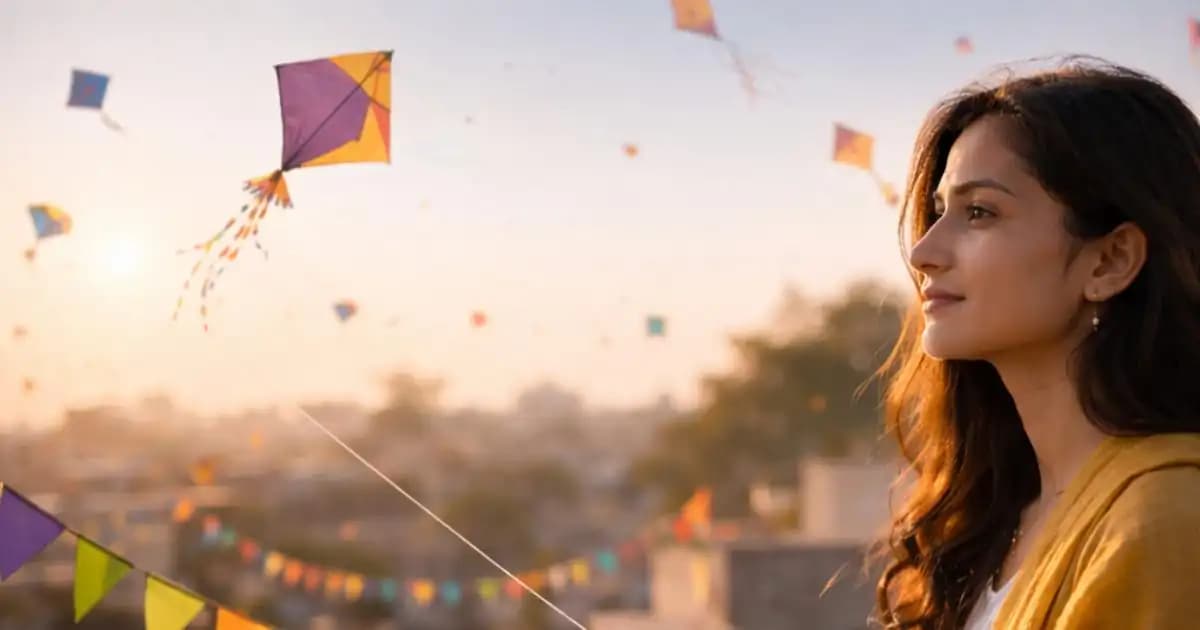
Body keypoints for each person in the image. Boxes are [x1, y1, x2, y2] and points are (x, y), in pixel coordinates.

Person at [873, 57, 1200, 629]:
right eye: (939, 211)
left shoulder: (1166, 517)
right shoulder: (998, 515)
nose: (924, 252)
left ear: (1110, 260)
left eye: (980, 212)